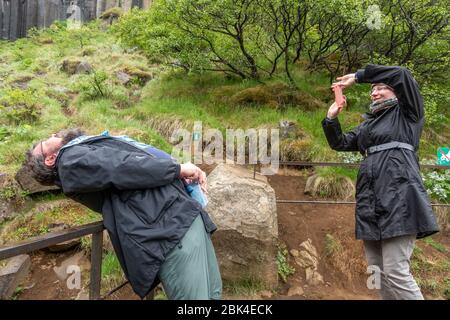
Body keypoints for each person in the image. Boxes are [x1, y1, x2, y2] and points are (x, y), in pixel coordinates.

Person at [23, 128, 222, 300]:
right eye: (44, 142)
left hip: (179, 219)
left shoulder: (77, 153)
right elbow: (123, 165)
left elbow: (130, 171)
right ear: (49, 159)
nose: (51, 135)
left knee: (212, 294)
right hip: (170, 230)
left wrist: (182, 176)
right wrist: (177, 170)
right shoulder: (69, 161)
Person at [322, 64, 440, 300]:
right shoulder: (369, 124)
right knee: (378, 272)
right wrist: (331, 117)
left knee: (396, 270)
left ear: (397, 92)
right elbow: (341, 143)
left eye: (381, 88)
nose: (374, 93)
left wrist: (358, 77)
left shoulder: (408, 113)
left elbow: (402, 74)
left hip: (401, 200)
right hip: (370, 204)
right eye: (372, 90)